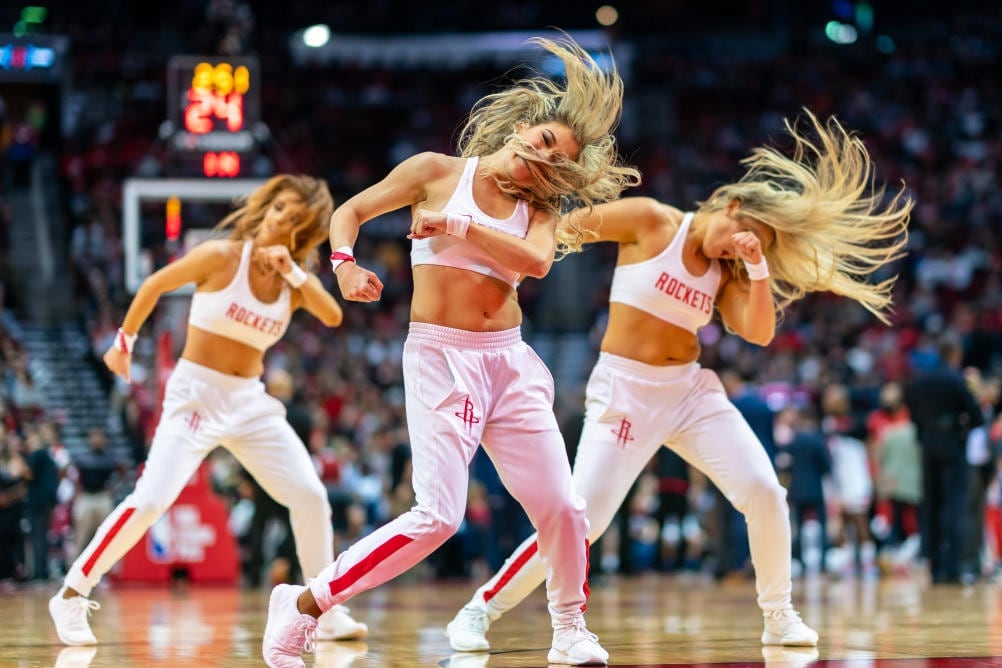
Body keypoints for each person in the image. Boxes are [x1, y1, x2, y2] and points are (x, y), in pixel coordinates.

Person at [445, 110, 912, 652]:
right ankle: (480, 610)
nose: (744, 247)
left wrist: (757, 266)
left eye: (756, 247)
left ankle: (779, 616)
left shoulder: (731, 271)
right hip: (624, 393)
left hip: (688, 393)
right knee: (581, 520)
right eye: (748, 236)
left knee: (764, 491)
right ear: (730, 206)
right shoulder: (652, 221)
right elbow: (568, 228)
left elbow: (757, 332)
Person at [260, 36, 639, 668]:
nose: (544, 160)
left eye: (558, 161)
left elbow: (537, 262)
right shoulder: (436, 172)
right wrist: (345, 265)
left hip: (510, 360)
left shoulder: (538, 207)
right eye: (544, 141)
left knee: (564, 507)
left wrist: (458, 226)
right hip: (443, 357)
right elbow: (351, 211)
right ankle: (304, 606)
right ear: (522, 128)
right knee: (438, 516)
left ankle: (570, 628)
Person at [48, 174, 368, 646]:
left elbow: (334, 315)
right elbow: (156, 284)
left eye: (297, 218)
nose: (285, 219)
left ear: (306, 231)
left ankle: (322, 608)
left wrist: (295, 271)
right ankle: (72, 593)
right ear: (266, 207)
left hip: (249, 402)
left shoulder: (293, 280)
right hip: (196, 395)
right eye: (281, 208)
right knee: (151, 499)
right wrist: (124, 342)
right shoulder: (223, 256)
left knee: (310, 495)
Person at [903, 338, 983, 584]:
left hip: (928, 445)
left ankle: (935, 568)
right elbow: (976, 417)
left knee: (932, 506)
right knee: (955, 506)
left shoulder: (921, 380)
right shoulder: (956, 379)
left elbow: (912, 414)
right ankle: (954, 568)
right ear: (956, 354)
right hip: (952, 444)